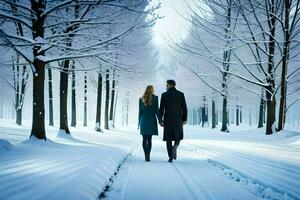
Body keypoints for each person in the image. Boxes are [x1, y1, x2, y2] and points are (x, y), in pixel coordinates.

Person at [159, 80, 187, 162]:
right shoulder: (181, 94)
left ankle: (170, 156)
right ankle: (175, 146)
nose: (166, 86)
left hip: (167, 119)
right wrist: (184, 119)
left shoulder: (164, 95)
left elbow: (161, 109)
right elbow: (184, 107)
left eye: (166, 85)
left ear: (170, 85)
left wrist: (160, 120)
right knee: (178, 136)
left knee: (168, 139)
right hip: (178, 119)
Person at [138, 85, 162, 162]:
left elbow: (140, 112)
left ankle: (146, 154)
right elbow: (157, 111)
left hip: (143, 120)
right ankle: (148, 154)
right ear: (152, 90)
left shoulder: (141, 99)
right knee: (150, 139)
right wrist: (160, 121)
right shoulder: (155, 98)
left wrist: (139, 123)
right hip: (151, 120)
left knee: (144, 139)